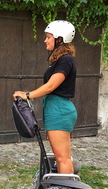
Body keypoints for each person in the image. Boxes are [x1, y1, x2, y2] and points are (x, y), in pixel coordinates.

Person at [13, 20, 77, 174]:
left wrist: (27, 95)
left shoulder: (66, 60)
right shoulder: (59, 60)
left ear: (59, 39)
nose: (45, 40)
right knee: (60, 155)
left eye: (48, 37)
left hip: (60, 109)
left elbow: (51, 86)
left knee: (63, 157)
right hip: (55, 108)